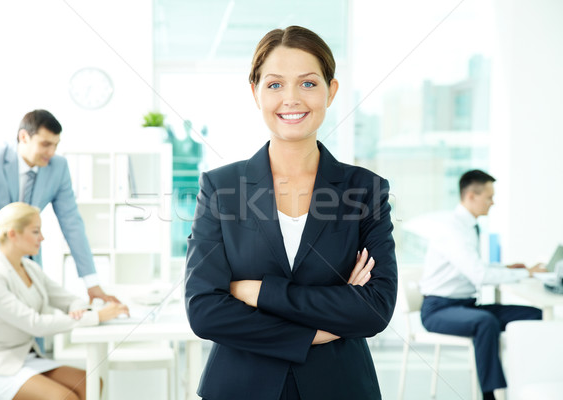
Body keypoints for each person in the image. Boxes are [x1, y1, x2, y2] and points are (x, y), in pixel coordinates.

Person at [184, 26, 398, 400]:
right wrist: (320, 326)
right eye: (275, 85)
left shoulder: (366, 190)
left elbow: (375, 309)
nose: (292, 99)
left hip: (340, 387)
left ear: (331, 91)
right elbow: (204, 310)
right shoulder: (221, 188)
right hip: (240, 387)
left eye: (308, 84)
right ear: (255, 93)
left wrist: (260, 292)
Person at [0, 109, 118, 329]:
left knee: (33, 333)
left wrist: (91, 283)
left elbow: (71, 222)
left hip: (28, 262)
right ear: (23, 137)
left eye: (56, 145)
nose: (52, 152)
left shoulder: (58, 168)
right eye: (46, 144)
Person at [0, 202, 128, 400]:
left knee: (89, 383)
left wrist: (79, 309)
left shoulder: (29, 268)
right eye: (36, 231)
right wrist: (95, 317)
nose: (42, 238)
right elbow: (35, 324)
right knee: (64, 397)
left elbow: (70, 300)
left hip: (23, 357)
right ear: (13, 234)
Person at [419, 169, 544, 400]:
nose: (493, 202)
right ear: (471, 196)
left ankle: (535, 382)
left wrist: (509, 269)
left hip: (466, 306)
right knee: (486, 322)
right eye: (489, 197)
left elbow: (475, 266)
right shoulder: (452, 228)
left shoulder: (468, 227)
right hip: (439, 310)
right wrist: (526, 273)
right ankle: (491, 395)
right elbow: (478, 274)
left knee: (536, 315)